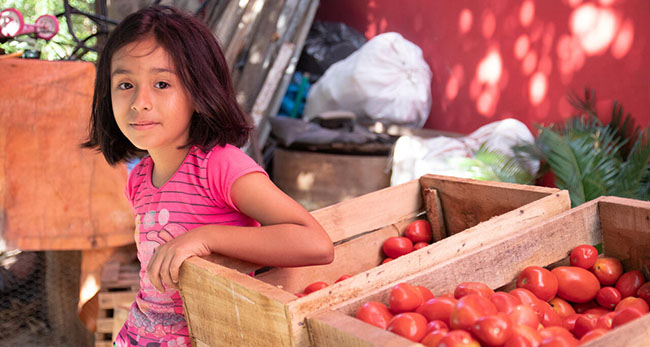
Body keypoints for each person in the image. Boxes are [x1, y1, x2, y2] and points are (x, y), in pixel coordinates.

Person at [83, 6, 334, 347]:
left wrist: (205, 237)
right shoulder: (139, 178)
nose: (139, 102)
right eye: (125, 84)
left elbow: (315, 244)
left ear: (199, 94)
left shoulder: (220, 167)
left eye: (162, 83)